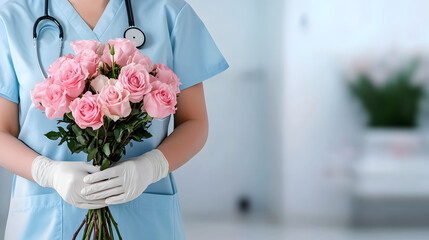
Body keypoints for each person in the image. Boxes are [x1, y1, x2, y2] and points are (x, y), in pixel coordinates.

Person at [0, 0, 229, 239]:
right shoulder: (12, 17)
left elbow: (194, 121)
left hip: (143, 224)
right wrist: (47, 173)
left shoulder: (169, 12)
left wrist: (152, 167)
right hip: (45, 223)